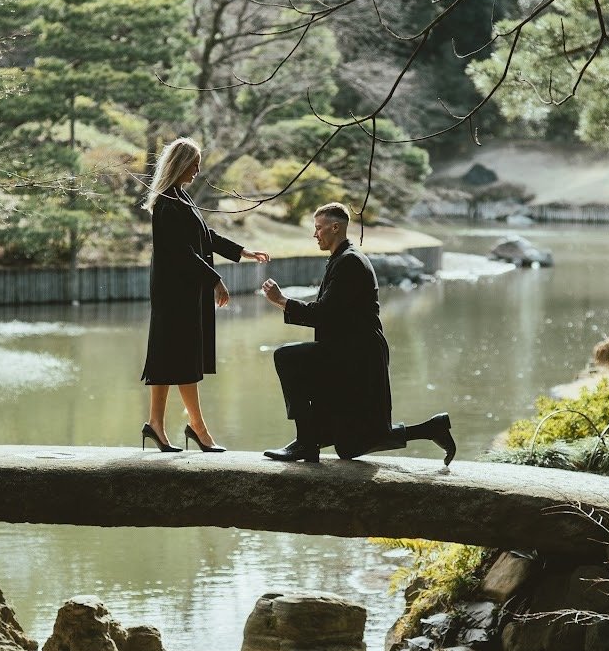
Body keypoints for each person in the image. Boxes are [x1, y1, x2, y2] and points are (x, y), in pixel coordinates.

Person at [259, 201, 456, 465]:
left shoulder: (350, 261)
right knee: (350, 446)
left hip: (358, 355)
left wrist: (282, 301)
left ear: (335, 227)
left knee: (287, 357)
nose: (314, 234)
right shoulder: (342, 258)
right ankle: (432, 428)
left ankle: (306, 443)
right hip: (347, 350)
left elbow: (324, 314)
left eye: (318, 228)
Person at [140, 137, 269, 452]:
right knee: (181, 359)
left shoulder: (180, 198)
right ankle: (197, 428)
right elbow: (182, 252)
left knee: (169, 358)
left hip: (179, 293)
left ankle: (157, 425)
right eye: (195, 164)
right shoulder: (167, 204)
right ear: (181, 164)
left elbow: (204, 236)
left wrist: (243, 251)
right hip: (175, 295)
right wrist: (215, 280)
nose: (198, 170)